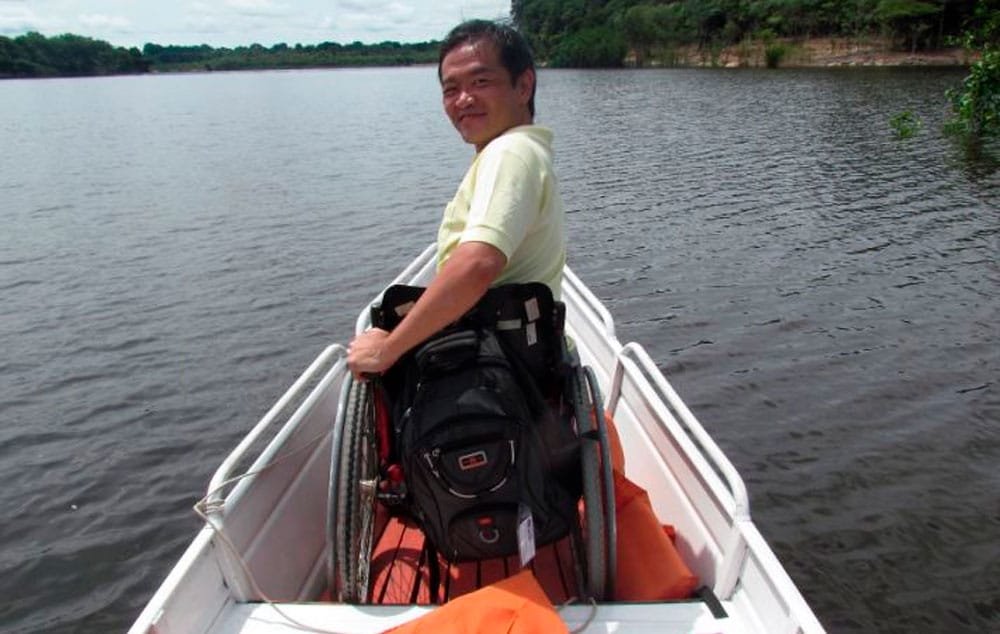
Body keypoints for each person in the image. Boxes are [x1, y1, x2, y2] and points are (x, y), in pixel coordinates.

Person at [347, 19, 566, 379]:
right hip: (519, 355)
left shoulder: (509, 153)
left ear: (523, 85)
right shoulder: (524, 149)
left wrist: (386, 351)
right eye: (451, 89)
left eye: (481, 82)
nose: (463, 99)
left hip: (498, 369)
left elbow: (477, 264)